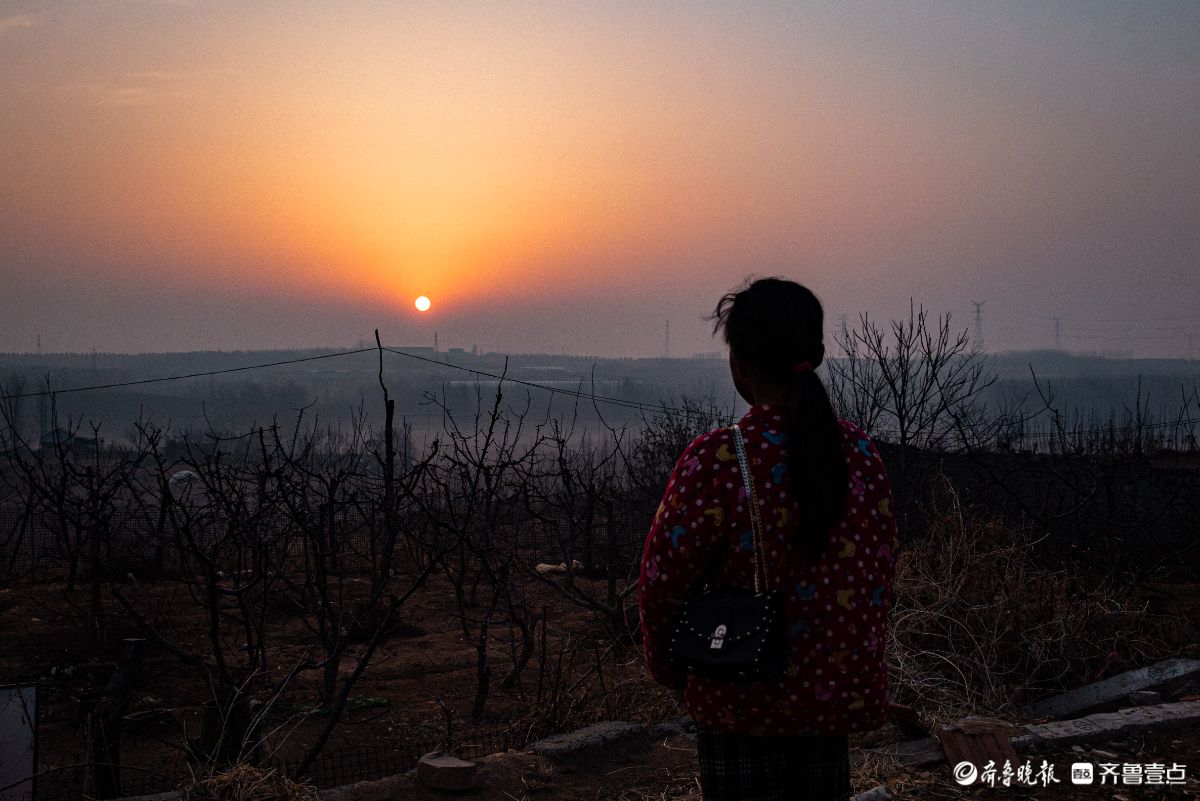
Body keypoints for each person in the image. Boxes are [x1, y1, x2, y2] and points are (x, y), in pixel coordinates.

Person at [638, 277, 897, 801]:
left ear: (739, 364)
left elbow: (661, 581)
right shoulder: (859, 454)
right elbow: (881, 568)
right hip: (833, 697)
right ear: (819, 354)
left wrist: (670, 668)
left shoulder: (719, 459)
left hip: (739, 695)